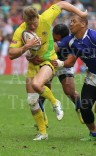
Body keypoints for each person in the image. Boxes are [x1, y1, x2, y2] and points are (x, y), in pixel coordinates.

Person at [8, 2, 88, 140]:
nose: (33, 27)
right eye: (30, 25)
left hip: (50, 60)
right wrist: (25, 47)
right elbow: (11, 54)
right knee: (32, 100)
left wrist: (80, 14)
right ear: (25, 21)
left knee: (43, 86)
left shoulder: (46, 18)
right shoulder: (20, 31)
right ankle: (43, 133)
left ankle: (56, 103)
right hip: (34, 65)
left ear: (38, 18)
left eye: (35, 24)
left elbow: (62, 4)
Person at [51, 15, 96, 141]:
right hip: (92, 76)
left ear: (83, 24)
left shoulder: (94, 36)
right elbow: (54, 46)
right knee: (84, 107)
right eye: (70, 21)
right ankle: (94, 133)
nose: (71, 24)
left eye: (74, 21)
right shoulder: (70, 40)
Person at [27, 24, 84, 127]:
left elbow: (70, 63)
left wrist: (60, 63)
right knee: (42, 89)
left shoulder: (72, 43)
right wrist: (31, 57)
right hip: (48, 64)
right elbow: (30, 54)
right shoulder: (47, 36)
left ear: (63, 38)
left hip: (63, 65)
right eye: (52, 36)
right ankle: (42, 113)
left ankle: (79, 107)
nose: (52, 39)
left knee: (69, 91)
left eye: (55, 38)